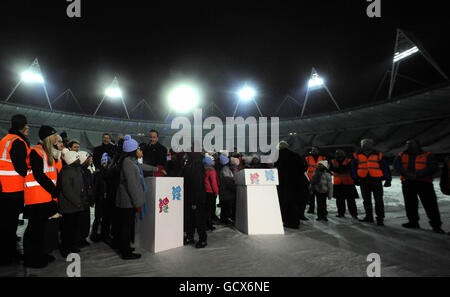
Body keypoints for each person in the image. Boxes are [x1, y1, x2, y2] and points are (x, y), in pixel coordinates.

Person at [116, 135, 165, 259]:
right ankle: (125, 252)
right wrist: (138, 203)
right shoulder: (128, 163)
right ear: (133, 150)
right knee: (126, 226)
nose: (141, 151)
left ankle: (124, 246)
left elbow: (141, 167)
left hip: (128, 200)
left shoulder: (131, 161)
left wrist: (156, 169)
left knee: (126, 225)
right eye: (139, 149)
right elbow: (132, 186)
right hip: (127, 201)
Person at [23, 125, 60, 268]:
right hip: (36, 198)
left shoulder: (46, 152)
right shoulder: (36, 151)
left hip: (44, 197)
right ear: (49, 137)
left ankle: (39, 254)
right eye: (54, 135)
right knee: (34, 229)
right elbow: (38, 174)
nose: (57, 138)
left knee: (40, 230)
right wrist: (53, 190)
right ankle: (30, 259)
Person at [393, 139, 444, 233]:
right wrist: (407, 174)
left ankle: (436, 225)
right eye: (407, 144)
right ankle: (413, 222)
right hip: (408, 182)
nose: (409, 145)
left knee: (430, 204)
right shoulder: (401, 155)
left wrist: (418, 175)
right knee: (410, 203)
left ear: (417, 144)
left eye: (411, 143)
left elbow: (432, 166)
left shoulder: (427, 154)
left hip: (424, 182)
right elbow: (397, 166)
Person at [0, 114, 30, 265]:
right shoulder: (18, 142)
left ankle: (7, 252)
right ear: (24, 126)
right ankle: (8, 254)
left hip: (4, 188)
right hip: (12, 189)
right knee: (9, 225)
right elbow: (21, 168)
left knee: (5, 223)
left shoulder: (6, 139)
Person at [352, 138, 391, 226]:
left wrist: (388, 179)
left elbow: (384, 167)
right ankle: (369, 217)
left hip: (376, 180)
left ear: (372, 144)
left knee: (378, 200)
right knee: (366, 200)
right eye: (364, 143)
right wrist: (355, 178)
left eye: (368, 143)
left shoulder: (378, 154)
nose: (366, 144)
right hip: (363, 180)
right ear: (361, 145)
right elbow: (353, 168)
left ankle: (380, 218)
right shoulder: (356, 155)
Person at [275, 141, 310, 228]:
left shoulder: (278, 156)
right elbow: (303, 167)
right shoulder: (295, 155)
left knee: (285, 202)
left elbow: (277, 168)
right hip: (297, 183)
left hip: (285, 183)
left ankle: (288, 221)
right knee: (295, 202)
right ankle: (295, 220)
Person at [58, 150, 83, 257]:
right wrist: (77, 202)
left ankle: (72, 246)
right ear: (72, 160)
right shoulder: (66, 172)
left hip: (75, 206)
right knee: (67, 229)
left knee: (73, 228)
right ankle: (65, 249)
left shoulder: (76, 170)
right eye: (77, 158)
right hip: (69, 206)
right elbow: (67, 190)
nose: (79, 160)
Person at [182, 148, 208, 248]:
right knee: (190, 218)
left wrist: (194, 201)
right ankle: (190, 236)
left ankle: (202, 239)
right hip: (190, 196)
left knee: (199, 219)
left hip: (196, 198)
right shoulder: (190, 163)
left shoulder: (196, 164)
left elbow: (197, 184)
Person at [330, 149, 359, 219]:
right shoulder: (333, 161)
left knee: (351, 200)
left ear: (344, 154)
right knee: (340, 200)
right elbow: (331, 169)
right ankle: (341, 213)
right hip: (338, 183)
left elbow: (347, 169)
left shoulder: (349, 160)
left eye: (340, 153)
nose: (338, 155)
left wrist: (338, 169)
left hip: (348, 183)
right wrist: (340, 169)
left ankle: (354, 214)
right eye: (337, 154)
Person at [91, 153, 112, 242]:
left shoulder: (98, 173)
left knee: (99, 217)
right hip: (102, 199)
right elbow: (96, 188)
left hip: (101, 199)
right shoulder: (103, 174)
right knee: (103, 218)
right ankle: (101, 235)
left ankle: (96, 234)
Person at [78, 151, 95, 247]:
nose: (91, 159)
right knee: (81, 221)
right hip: (82, 201)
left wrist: (92, 198)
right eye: (89, 157)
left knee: (86, 220)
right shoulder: (80, 171)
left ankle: (83, 238)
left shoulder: (87, 171)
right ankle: (79, 239)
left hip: (87, 200)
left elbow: (90, 186)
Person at [305, 146, 327, 214]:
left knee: (321, 197)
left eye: (315, 150)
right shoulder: (307, 158)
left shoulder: (323, 158)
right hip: (311, 180)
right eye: (312, 150)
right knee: (311, 196)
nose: (313, 151)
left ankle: (323, 211)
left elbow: (325, 169)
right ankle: (311, 209)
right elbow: (305, 167)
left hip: (320, 180)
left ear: (318, 151)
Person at [218, 153, 236, 225]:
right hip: (226, 192)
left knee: (225, 206)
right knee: (226, 206)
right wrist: (235, 187)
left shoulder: (224, 169)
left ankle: (224, 219)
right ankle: (224, 220)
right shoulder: (226, 170)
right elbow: (228, 182)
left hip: (224, 191)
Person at [204, 155, 219, 231]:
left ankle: (205, 224)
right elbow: (214, 182)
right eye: (213, 160)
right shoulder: (212, 170)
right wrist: (216, 192)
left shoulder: (203, 169)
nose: (214, 162)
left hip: (204, 191)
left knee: (205, 209)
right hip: (211, 192)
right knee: (210, 210)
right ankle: (209, 225)